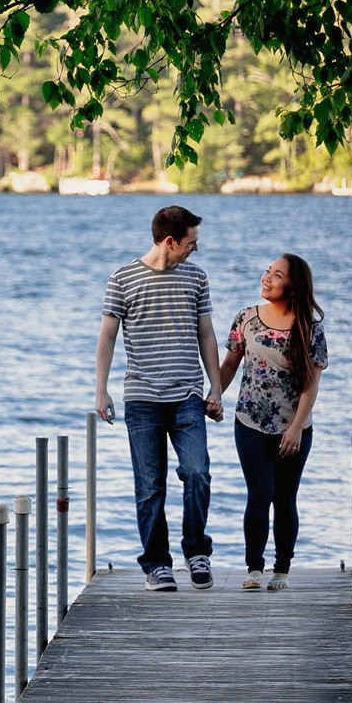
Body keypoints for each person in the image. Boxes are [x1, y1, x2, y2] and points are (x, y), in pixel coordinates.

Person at [93, 205, 225, 591]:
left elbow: (207, 335)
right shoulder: (123, 279)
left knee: (197, 473)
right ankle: (157, 565)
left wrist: (216, 388)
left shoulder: (196, 278)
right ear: (170, 241)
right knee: (150, 486)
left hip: (187, 396)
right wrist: (101, 389)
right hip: (142, 399)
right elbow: (107, 336)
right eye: (191, 244)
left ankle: (196, 553)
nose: (193, 250)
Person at [217, 253, 327, 591]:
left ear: (293, 286)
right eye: (268, 271)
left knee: (285, 497)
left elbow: (311, 384)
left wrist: (296, 427)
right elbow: (230, 365)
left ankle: (282, 569)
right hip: (249, 422)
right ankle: (254, 568)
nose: (267, 278)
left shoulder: (309, 326)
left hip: (293, 427)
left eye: (277, 275)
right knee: (259, 493)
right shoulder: (247, 318)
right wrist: (213, 394)